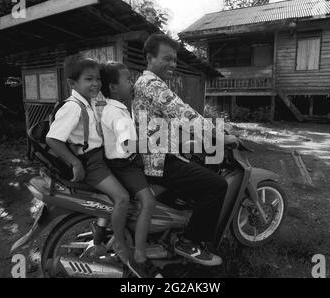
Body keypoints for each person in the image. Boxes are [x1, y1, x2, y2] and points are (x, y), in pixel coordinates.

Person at [132, 34, 240, 266]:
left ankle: (169, 232)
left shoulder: (148, 84)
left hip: (157, 153)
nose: (173, 64)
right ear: (150, 58)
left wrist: (201, 137)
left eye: (175, 59)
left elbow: (176, 119)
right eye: (167, 58)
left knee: (199, 165)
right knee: (216, 185)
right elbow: (185, 114)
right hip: (159, 160)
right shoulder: (151, 84)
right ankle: (189, 241)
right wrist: (222, 136)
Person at [45, 55, 131, 264]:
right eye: (89, 79)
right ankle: (120, 243)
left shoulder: (88, 102)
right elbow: (53, 139)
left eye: (98, 79)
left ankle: (100, 231)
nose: (96, 84)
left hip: (98, 158)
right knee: (122, 198)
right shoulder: (73, 107)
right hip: (90, 164)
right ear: (72, 83)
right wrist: (75, 163)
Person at [99, 61, 162, 278]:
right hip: (125, 166)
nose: (132, 83)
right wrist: (155, 145)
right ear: (113, 87)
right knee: (149, 201)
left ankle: (143, 231)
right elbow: (127, 144)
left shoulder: (115, 108)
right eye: (127, 80)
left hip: (125, 163)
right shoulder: (116, 113)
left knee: (161, 186)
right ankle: (140, 256)